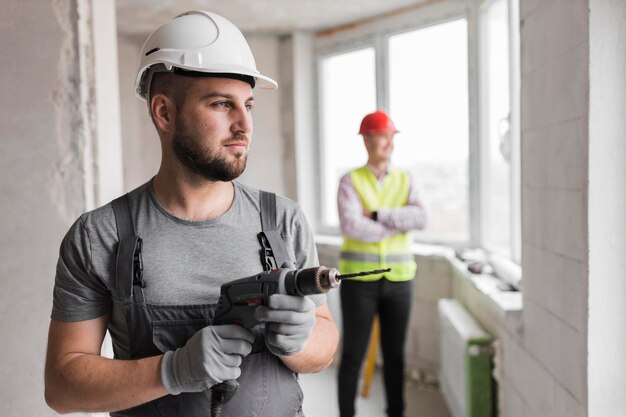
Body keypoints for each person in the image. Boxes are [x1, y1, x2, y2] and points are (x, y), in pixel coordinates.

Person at [44, 10, 339, 417]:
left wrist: (300, 342)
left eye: (248, 105)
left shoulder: (282, 220)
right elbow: (62, 386)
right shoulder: (100, 235)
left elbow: (323, 345)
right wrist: (173, 369)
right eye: (222, 104)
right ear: (163, 112)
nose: (244, 125)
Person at [336, 110, 427, 417]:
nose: (388, 142)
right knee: (352, 356)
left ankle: (396, 413)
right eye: (381, 135)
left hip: (400, 280)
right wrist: (397, 222)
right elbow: (351, 226)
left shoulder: (406, 178)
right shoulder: (350, 181)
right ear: (366, 139)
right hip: (358, 282)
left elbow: (421, 217)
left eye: (391, 136)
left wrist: (376, 215)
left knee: (396, 357)